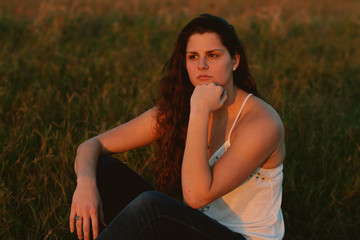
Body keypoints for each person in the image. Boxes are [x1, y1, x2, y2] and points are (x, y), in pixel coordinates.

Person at [69, 13, 285, 240]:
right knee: (104, 170)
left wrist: (200, 111)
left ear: (235, 60)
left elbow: (195, 197)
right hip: (195, 228)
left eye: (213, 55)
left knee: (152, 208)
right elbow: (91, 146)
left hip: (242, 237)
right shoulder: (180, 108)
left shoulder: (261, 123)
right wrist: (85, 184)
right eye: (193, 57)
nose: (201, 65)